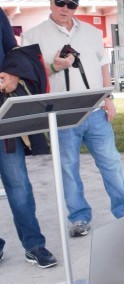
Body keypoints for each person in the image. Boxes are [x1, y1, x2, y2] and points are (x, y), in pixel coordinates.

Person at [23, 0, 124, 238]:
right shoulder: (33, 35)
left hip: (95, 112)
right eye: (60, 2)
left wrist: (109, 98)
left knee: (111, 165)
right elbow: (30, 76)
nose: (66, 8)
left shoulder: (93, 32)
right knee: (68, 170)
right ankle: (79, 217)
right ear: (51, 3)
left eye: (72, 4)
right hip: (61, 116)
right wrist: (54, 66)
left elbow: (103, 67)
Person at [0, 9, 58, 268]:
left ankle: (34, 245)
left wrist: (13, 75)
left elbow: (13, 51)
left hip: (3, 119)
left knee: (18, 185)